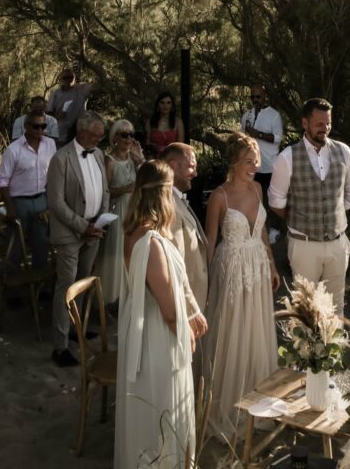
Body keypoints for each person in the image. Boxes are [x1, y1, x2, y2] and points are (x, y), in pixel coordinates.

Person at [115, 160, 196, 469]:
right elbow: (169, 309)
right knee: (163, 409)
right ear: (163, 194)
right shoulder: (151, 243)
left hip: (142, 328)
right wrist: (187, 335)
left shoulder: (133, 232)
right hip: (156, 338)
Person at [203, 134, 280, 442]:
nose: (254, 166)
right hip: (232, 270)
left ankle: (257, 401)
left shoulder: (258, 189)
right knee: (232, 332)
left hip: (258, 269)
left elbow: (263, 231)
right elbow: (211, 242)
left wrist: (272, 265)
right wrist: (207, 281)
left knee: (256, 332)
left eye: (256, 160)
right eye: (249, 161)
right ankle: (229, 405)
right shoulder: (219, 196)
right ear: (234, 161)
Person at [268, 97, 350, 314]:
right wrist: (299, 219)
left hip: (337, 243)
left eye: (328, 123)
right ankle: (308, 349)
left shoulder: (343, 151)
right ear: (304, 123)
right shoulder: (287, 158)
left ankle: (332, 348)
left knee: (336, 307)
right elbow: (275, 201)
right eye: (319, 123)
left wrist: (333, 214)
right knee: (305, 310)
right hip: (303, 245)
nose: (325, 128)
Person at [46, 110, 109, 367]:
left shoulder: (99, 154)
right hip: (70, 233)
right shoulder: (61, 159)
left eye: (101, 135)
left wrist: (101, 218)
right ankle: (59, 347)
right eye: (95, 135)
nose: (99, 139)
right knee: (66, 286)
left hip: (94, 229)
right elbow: (55, 202)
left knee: (83, 282)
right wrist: (82, 226)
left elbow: (105, 189)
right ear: (81, 132)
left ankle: (76, 329)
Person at [0, 112, 56, 269]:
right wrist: (10, 209)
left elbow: (54, 172)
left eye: (43, 126)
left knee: (42, 244)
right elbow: (2, 181)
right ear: (26, 127)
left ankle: (39, 287)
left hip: (42, 200)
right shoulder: (13, 149)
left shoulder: (50, 144)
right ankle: (12, 288)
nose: (39, 129)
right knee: (15, 246)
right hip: (19, 202)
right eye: (35, 126)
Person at [95, 119, 144, 306]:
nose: (128, 138)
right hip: (117, 211)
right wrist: (125, 188)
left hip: (134, 210)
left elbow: (148, 179)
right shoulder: (110, 160)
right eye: (124, 134)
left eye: (131, 134)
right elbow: (105, 190)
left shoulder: (134, 158)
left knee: (133, 254)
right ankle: (110, 298)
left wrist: (140, 160)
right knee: (116, 254)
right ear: (115, 137)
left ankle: (129, 297)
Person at [161, 143, 209, 324]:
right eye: (191, 167)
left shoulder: (176, 198)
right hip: (183, 307)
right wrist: (188, 311)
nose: (195, 174)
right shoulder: (167, 205)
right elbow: (174, 265)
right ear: (173, 166)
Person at [240, 84, 283, 238]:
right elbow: (242, 138)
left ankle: (275, 230)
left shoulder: (274, 115)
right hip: (253, 165)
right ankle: (256, 229)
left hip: (270, 165)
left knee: (273, 199)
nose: (255, 100)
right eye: (252, 97)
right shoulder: (246, 115)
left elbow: (278, 138)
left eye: (258, 97)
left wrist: (258, 134)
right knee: (254, 198)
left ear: (264, 96)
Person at [46, 68, 96, 145]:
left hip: (79, 131)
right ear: (61, 80)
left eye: (70, 77)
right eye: (65, 78)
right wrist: (57, 116)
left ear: (74, 78)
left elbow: (96, 87)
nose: (68, 80)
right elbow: (49, 113)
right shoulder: (56, 94)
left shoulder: (81, 88)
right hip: (61, 133)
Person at [145, 91, 185, 156]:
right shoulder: (150, 121)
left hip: (172, 159)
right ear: (158, 105)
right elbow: (147, 143)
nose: (165, 106)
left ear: (172, 105)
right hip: (154, 159)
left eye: (168, 103)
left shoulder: (178, 122)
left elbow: (180, 146)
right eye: (162, 102)